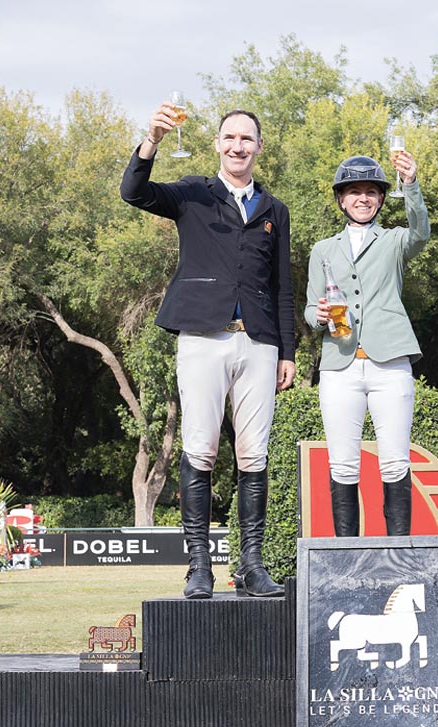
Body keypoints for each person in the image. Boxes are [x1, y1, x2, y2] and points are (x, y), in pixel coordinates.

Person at [120, 103, 295, 599]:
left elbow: (281, 286)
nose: (238, 146)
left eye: (247, 139)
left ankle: (252, 566)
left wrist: (287, 351)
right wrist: (152, 140)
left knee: (253, 453)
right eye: (230, 138)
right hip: (201, 337)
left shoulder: (274, 210)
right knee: (200, 448)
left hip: (259, 342)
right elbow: (134, 192)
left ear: (259, 147)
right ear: (217, 144)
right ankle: (198, 566)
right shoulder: (194, 192)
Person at [305, 152, 430, 535]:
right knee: (343, 464)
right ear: (341, 199)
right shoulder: (323, 249)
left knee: (394, 461)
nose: (363, 198)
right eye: (354, 192)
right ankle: (347, 555)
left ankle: (398, 553)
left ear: (381, 198)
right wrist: (319, 315)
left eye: (371, 192)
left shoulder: (393, 240)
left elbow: (421, 233)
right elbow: (309, 309)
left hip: (389, 362)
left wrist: (411, 185)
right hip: (339, 365)